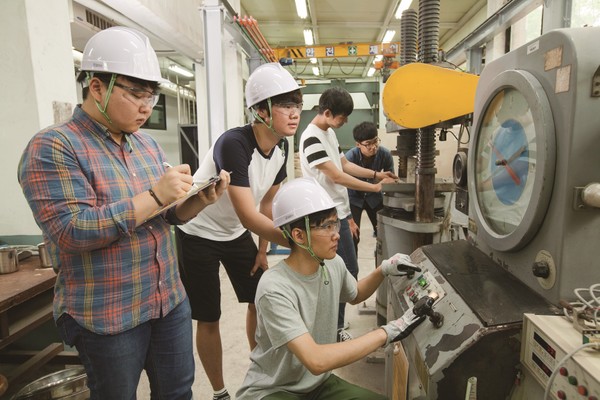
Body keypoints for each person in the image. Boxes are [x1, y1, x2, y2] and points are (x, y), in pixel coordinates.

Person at [18, 27, 229, 400]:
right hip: (108, 313)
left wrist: (198, 200)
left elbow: (164, 216)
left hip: (168, 300)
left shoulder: (144, 144)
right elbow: (72, 231)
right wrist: (153, 194)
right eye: (135, 94)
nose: (146, 106)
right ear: (96, 87)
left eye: (150, 95)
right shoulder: (53, 147)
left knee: (178, 391)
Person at [176, 62, 303, 400]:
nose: (295, 113)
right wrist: (298, 244)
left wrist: (263, 250)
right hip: (197, 232)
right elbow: (249, 215)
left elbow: (267, 207)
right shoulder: (233, 144)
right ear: (261, 111)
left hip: (234, 234)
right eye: (285, 105)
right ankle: (219, 392)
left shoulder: (282, 148)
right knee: (210, 315)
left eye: (297, 104)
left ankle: (260, 371)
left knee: (259, 300)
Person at [236, 177, 425, 400]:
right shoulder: (274, 288)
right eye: (327, 226)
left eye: (335, 223)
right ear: (298, 235)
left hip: (318, 384)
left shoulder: (332, 263)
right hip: (274, 390)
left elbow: (355, 294)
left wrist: (384, 269)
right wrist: (388, 331)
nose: (336, 233)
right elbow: (316, 360)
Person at [299, 87, 398, 342]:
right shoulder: (311, 138)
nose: (344, 122)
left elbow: (345, 165)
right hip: (324, 218)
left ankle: (334, 326)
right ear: (328, 112)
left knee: (342, 273)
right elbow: (337, 175)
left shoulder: (329, 133)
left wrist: (378, 175)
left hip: (338, 214)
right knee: (342, 273)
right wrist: (375, 187)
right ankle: (333, 329)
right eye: (342, 117)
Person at [345, 121, 395, 254]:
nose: (373, 147)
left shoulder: (385, 154)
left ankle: (383, 259)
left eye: (375, 141)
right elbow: (342, 183)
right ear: (358, 144)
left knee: (384, 232)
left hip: (375, 198)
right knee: (353, 235)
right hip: (354, 198)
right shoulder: (350, 157)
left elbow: (391, 180)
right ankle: (352, 268)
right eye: (368, 144)